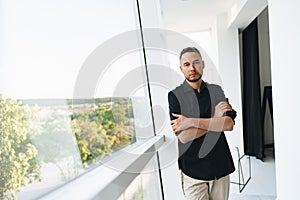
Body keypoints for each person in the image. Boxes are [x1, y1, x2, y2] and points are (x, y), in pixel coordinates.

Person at [168, 47, 237, 200]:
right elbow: (184, 136)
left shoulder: (216, 90)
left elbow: (228, 124)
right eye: (186, 64)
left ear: (203, 64)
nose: (192, 68)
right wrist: (215, 118)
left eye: (196, 62)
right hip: (192, 171)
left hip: (219, 166)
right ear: (181, 68)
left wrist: (190, 121)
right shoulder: (174, 96)